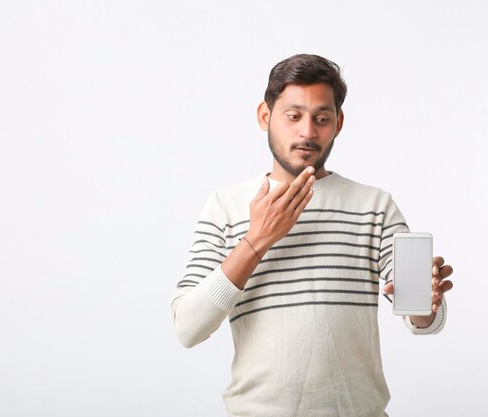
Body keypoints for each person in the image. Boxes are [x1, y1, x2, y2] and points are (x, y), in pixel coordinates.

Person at [170, 54, 454, 417]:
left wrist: (424, 306)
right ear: (264, 116)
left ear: (338, 123)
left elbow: (422, 317)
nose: (307, 132)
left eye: (322, 118)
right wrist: (256, 240)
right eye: (293, 116)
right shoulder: (225, 207)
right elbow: (187, 328)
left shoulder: (374, 205)